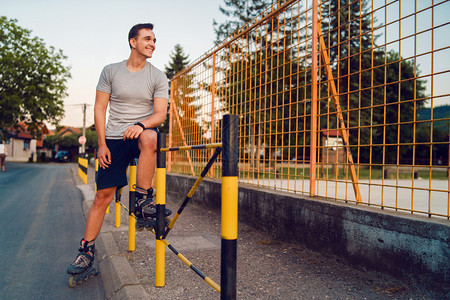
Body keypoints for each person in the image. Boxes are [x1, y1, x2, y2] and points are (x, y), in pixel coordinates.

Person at [67, 23, 170, 276]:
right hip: (113, 139)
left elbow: (160, 114)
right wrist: (101, 144)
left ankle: (142, 199)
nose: (152, 43)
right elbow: (100, 108)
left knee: (151, 138)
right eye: (147, 38)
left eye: (154, 40)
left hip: (140, 134)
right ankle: (86, 251)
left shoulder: (158, 76)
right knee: (102, 197)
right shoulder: (111, 71)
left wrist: (140, 124)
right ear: (132, 42)